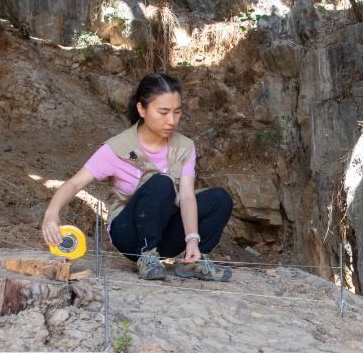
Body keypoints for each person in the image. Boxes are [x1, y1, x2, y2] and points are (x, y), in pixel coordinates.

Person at [41, 73, 233, 281]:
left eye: (177, 112)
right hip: (129, 234)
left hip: (165, 233)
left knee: (219, 199)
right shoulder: (117, 148)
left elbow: (186, 197)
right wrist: (51, 213)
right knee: (162, 183)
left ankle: (193, 261)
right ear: (142, 109)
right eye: (163, 112)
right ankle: (147, 256)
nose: (171, 120)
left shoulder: (185, 147)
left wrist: (192, 240)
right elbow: (74, 183)